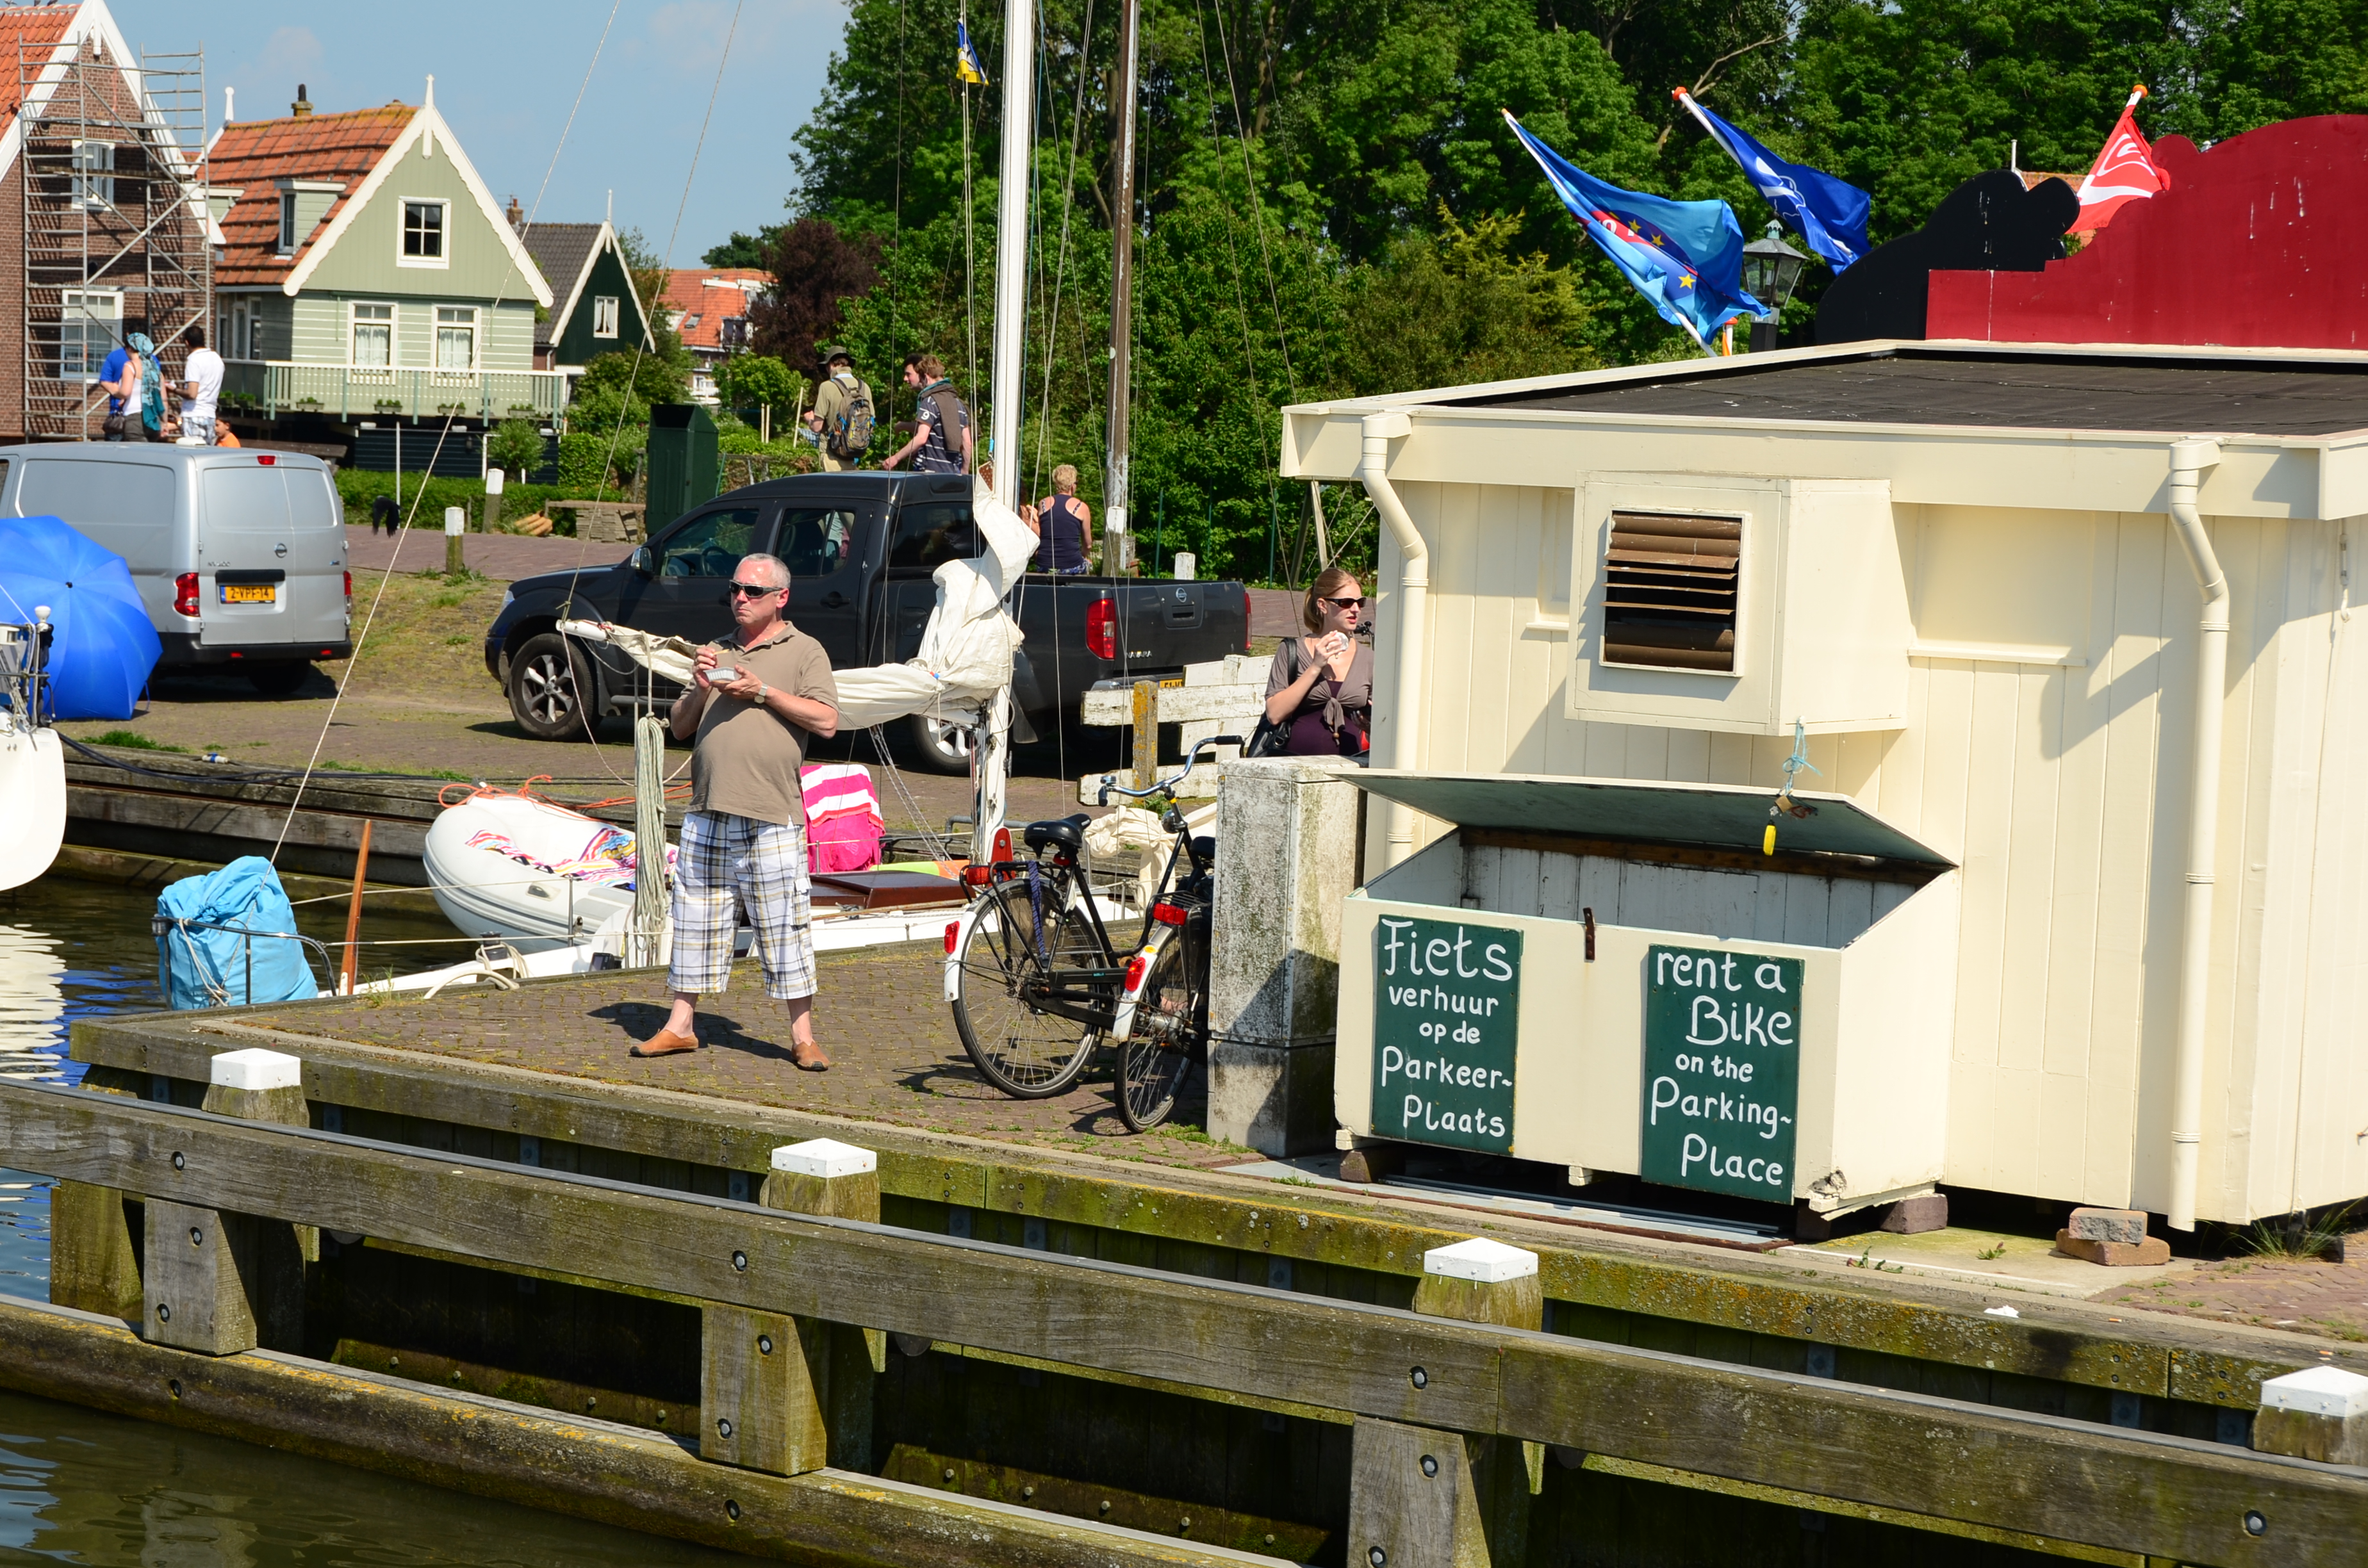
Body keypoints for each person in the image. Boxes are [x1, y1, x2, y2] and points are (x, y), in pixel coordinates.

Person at [634, 552, 841, 1070]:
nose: (740, 598)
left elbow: (827, 721)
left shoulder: (805, 651)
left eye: (752, 591)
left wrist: (762, 691)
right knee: (695, 921)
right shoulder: (717, 649)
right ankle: (680, 1027)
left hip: (771, 812)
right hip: (709, 807)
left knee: (784, 925)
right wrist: (701, 688)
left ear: (781, 598)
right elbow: (681, 726)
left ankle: (803, 1038)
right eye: (735, 589)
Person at [1262, 566, 1372, 759]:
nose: (1356, 609)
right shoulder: (1292, 650)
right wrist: (1315, 666)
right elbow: (1275, 714)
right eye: (1346, 602)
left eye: (1360, 602)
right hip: (1295, 764)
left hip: (1349, 766)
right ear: (1323, 605)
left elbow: (1381, 730)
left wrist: (1371, 727)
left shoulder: (1368, 658)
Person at [882, 354, 971, 474]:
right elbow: (967, 443)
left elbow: (921, 438)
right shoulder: (958, 404)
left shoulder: (930, 401)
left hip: (930, 473)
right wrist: (964, 471)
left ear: (926, 377)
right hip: (952, 474)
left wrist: (895, 458)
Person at [804, 345, 873, 472]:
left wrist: (809, 419)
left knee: (833, 486)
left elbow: (817, 427)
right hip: (856, 455)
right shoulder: (864, 387)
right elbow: (871, 425)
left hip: (833, 456)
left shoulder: (827, 387)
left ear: (831, 364)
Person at [1029, 464, 1094, 573]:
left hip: (1044, 564)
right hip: (1071, 564)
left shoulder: (1043, 504)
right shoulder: (1081, 507)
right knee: (1089, 565)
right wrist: (1081, 556)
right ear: (1072, 486)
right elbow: (1088, 545)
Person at [181, 326, 223, 446]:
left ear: (187, 342)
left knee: (192, 453)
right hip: (210, 415)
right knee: (207, 454)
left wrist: (174, 390)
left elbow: (192, 394)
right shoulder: (217, 359)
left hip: (194, 413)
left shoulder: (194, 360)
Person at [97, 334, 140, 441]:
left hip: (118, 416)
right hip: (144, 417)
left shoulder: (115, 356)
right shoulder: (152, 360)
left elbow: (104, 381)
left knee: (114, 450)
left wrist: (118, 392)